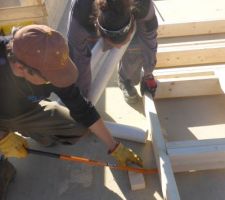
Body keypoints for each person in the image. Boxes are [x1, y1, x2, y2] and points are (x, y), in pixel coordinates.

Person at [0, 24, 142, 200]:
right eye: (49, 79)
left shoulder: (47, 57)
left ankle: (34, 132)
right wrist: (3, 137)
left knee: (76, 128)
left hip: (26, 111)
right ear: (21, 68)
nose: (56, 81)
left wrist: (114, 146)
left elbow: (81, 107)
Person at [67, 0, 158, 104]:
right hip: (89, 14)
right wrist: (82, 96)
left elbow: (149, 39)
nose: (119, 48)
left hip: (133, 12)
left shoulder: (143, 4)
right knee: (90, 53)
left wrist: (148, 72)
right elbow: (78, 57)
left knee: (136, 45)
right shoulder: (80, 13)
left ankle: (125, 80)